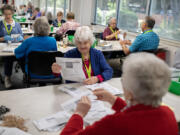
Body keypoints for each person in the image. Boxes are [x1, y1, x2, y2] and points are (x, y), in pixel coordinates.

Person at [60, 53, 178, 135]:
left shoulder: (114, 123)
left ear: (130, 93)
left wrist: (79, 114)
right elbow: (139, 115)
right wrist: (113, 100)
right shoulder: (169, 114)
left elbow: (130, 121)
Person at [0, 4, 24, 88]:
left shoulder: (17, 24)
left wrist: (20, 38)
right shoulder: (1, 24)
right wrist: (3, 38)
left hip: (15, 46)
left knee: (22, 56)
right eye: (6, 14)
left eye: (9, 14)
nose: (7, 16)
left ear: (12, 13)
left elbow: (21, 36)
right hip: (4, 48)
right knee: (8, 58)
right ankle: (7, 78)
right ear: (3, 14)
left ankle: (25, 74)